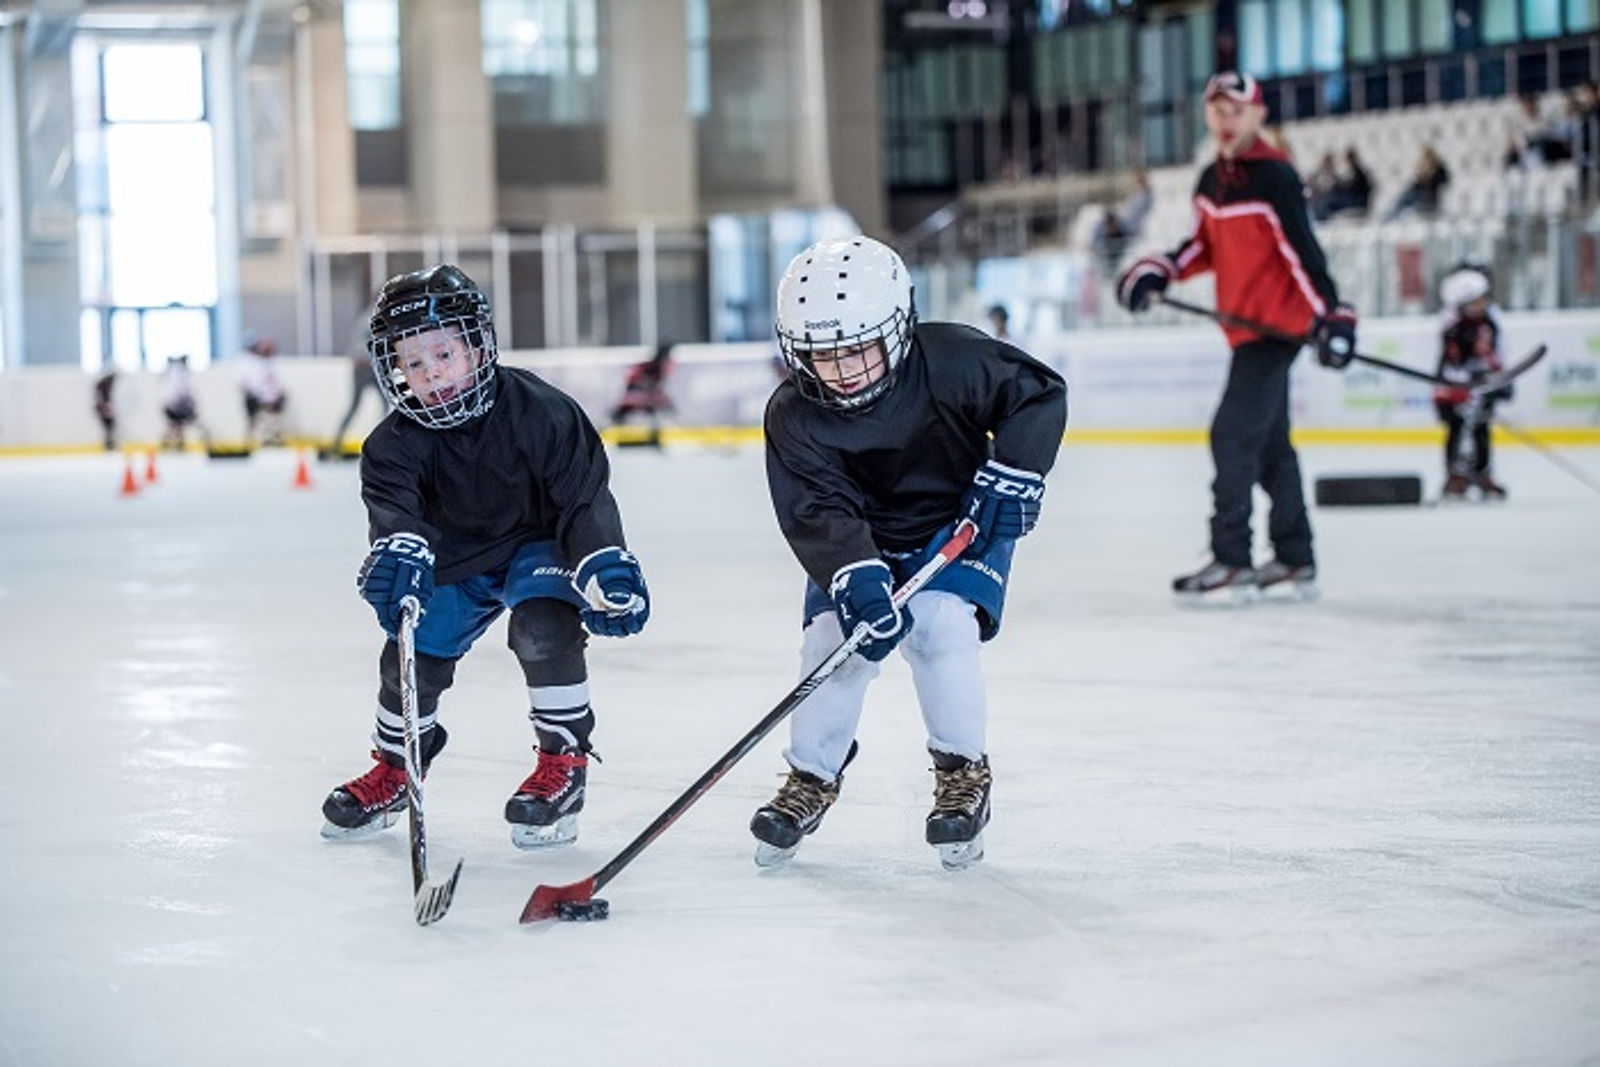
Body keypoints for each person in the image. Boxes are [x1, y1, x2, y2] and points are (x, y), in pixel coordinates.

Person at [753, 235, 1067, 871]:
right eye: (822, 355)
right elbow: (817, 510)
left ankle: (962, 773)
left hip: (956, 524)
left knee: (940, 628)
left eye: (857, 350)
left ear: (898, 326)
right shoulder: (793, 414)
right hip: (860, 537)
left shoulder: (952, 359)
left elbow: (1037, 395)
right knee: (832, 644)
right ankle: (811, 778)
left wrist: (1016, 471)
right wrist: (854, 576)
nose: (840, 371)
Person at [320, 264, 651, 850]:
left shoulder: (544, 412)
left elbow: (583, 500)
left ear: (476, 346)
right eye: (414, 364)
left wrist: (602, 560)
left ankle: (563, 767)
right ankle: (396, 769)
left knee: (543, 628)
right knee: (409, 655)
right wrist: (398, 559)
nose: (430, 374)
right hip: (454, 558)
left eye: (443, 354)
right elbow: (397, 519)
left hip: (537, 547)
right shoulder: (390, 446)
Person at [1116, 71, 1356, 604]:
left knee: (1230, 435)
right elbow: (1204, 247)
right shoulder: (1211, 180)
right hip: (1244, 329)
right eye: (1217, 109)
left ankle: (1232, 558)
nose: (1227, 119)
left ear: (1258, 114)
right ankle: (1295, 558)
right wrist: (1159, 269)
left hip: (1277, 328)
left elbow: (1302, 253)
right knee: (1271, 447)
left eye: (1237, 109)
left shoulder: (1276, 176)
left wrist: (1331, 315)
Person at [1434, 265, 1511, 501]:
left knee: (1481, 430)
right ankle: (1455, 474)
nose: (1482, 305)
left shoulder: (1489, 325)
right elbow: (1451, 362)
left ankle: (1482, 472)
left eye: (1483, 300)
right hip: (1454, 390)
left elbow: (1493, 355)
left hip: (1483, 387)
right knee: (1456, 430)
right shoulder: (1453, 329)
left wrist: (1500, 380)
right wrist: (1462, 383)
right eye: (1476, 301)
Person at [323, 303, 389, 461]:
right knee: (356, 406)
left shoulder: (377, 318)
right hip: (364, 368)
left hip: (372, 368)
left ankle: (383, 442)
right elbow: (360, 344)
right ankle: (336, 443)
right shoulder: (369, 319)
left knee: (384, 405)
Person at [608, 342, 674, 448]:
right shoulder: (647, 366)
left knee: (653, 412)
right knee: (623, 413)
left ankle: (653, 437)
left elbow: (656, 388)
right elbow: (632, 382)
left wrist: (664, 401)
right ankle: (620, 436)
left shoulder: (661, 368)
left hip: (646, 397)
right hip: (635, 394)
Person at [239, 333, 288, 446]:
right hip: (257, 398)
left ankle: (275, 437)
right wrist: (261, 398)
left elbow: (281, 385)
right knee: (252, 410)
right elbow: (251, 385)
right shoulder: (252, 364)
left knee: (275, 416)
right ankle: (251, 439)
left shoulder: (277, 363)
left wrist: (274, 398)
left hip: (274, 399)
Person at [1384, 145, 1451, 221]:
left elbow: (1441, 182)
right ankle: (1390, 216)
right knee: (1404, 197)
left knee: (1408, 198)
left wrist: (1431, 174)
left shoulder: (1438, 171)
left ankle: (1390, 217)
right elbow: (1417, 184)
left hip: (1428, 199)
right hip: (1419, 194)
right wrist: (1421, 176)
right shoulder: (1423, 171)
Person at [160, 355, 200, 451]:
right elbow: (183, 391)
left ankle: (171, 443)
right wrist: (191, 404)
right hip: (175, 405)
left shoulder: (173, 373)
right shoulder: (181, 374)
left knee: (175, 425)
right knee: (177, 425)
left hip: (170, 405)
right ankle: (175, 443)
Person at [92, 369, 117, 451]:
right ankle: (109, 444)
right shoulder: (104, 385)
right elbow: (101, 398)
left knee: (110, 426)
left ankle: (110, 443)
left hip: (102, 408)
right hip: (101, 409)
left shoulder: (104, 385)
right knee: (108, 427)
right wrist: (104, 407)